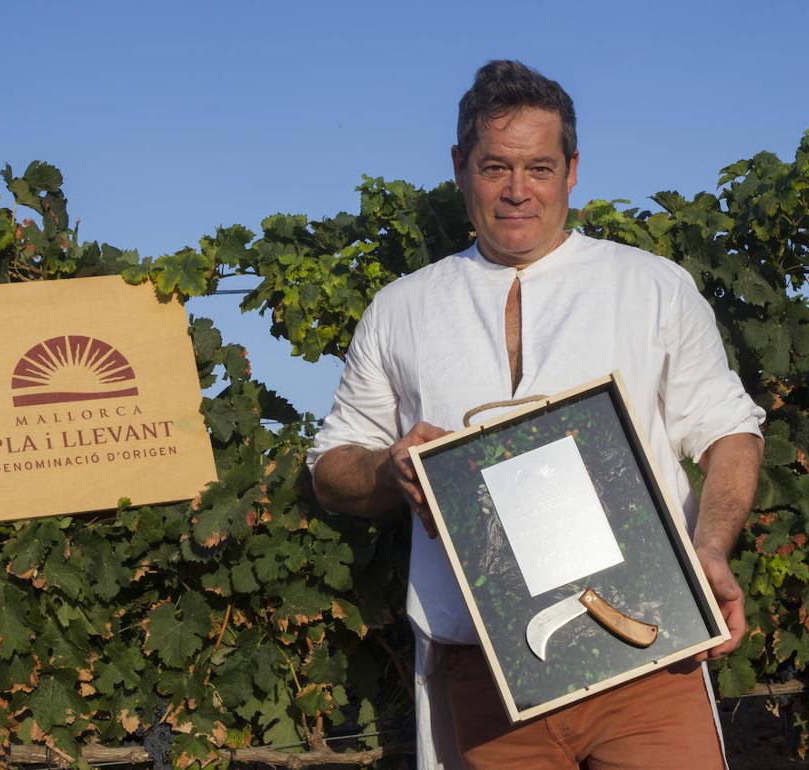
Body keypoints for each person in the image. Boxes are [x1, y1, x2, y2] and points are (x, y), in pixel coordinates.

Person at [308, 60, 765, 770]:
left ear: (573, 169)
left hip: (647, 654)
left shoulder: (652, 288)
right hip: (486, 679)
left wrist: (709, 550)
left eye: (539, 168)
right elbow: (332, 469)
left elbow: (730, 433)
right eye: (495, 167)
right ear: (460, 167)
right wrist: (386, 468)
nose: (517, 190)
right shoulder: (402, 308)